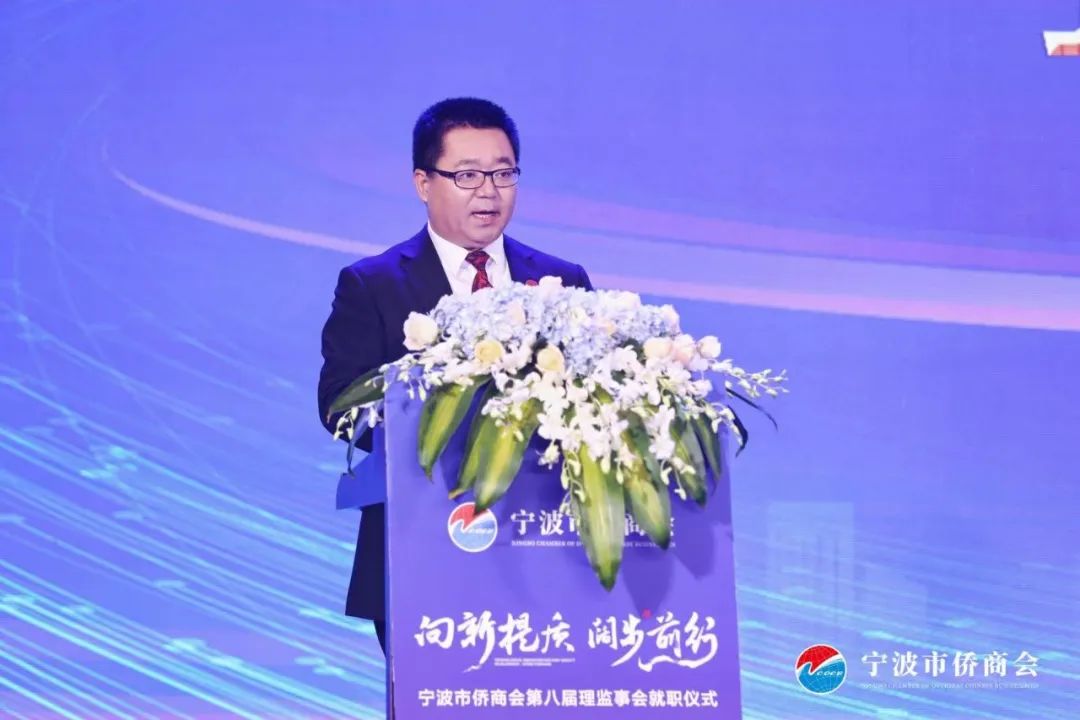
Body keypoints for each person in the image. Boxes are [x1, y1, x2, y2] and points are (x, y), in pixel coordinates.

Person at [317, 97, 593, 654]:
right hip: (419, 550)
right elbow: (339, 406)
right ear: (423, 182)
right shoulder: (373, 285)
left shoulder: (563, 281)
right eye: (467, 175)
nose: (488, 191)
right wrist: (444, 429)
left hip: (548, 552)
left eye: (503, 173)